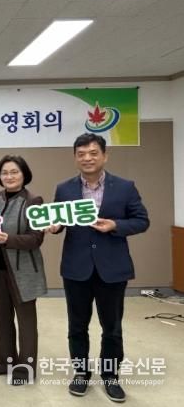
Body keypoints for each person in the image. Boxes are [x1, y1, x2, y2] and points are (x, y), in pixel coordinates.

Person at [47, 133, 149, 403]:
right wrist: (55, 227)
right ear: (75, 157)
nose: (87, 158)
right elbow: (59, 221)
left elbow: (141, 220)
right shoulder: (64, 189)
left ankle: (111, 377)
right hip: (76, 268)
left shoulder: (125, 187)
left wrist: (115, 225)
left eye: (93, 153)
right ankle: (81, 374)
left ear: (105, 156)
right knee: (77, 326)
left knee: (112, 327)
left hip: (112, 269)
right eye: (81, 154)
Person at [0, 155, 47, 385]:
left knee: (26, 321)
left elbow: (36, 238)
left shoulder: (33, 200)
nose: (9, 176)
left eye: (14, 172)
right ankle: (5, 361)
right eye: (4, 172)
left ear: (24, 174)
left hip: (24, 271)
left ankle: (25, 369)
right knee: (2, 318)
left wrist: (8, 239)